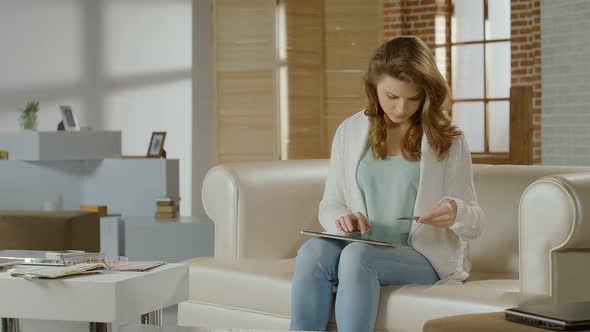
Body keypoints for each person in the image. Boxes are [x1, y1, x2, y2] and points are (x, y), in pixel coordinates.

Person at [289, 36, 485, 332]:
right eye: (391, 96)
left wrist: (456, 212)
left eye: (414, 98)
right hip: (363, 244)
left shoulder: (449, 138)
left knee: (358, 256)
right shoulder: (350, 131)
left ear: (427, 94)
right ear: (373, 88)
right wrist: (342, 220)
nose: (401, 108)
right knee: (312, 253)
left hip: (423, 257)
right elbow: (330, 204)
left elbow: (475, 221)